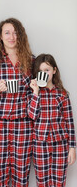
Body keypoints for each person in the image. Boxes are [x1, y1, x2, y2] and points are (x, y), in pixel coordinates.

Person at [0, 18, 34, 187]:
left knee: (21, 176)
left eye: (16, 32)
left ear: (21, 36)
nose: (12, 36)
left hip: (23, 125)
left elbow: (38, 94)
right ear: (1, 37)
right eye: (7, 32)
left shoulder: (31, 61)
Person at [28, 53, 76, 187]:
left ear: (54, 71)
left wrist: (72, 147)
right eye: (40, 71)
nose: (44, 73)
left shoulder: (62, 94)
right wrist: (36, 92)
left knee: (59, 182)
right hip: (40, 144)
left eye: (47, 70)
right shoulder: (34, 93)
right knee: (42, 182)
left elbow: (69, 122)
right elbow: (32, 115)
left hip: (60, 144)